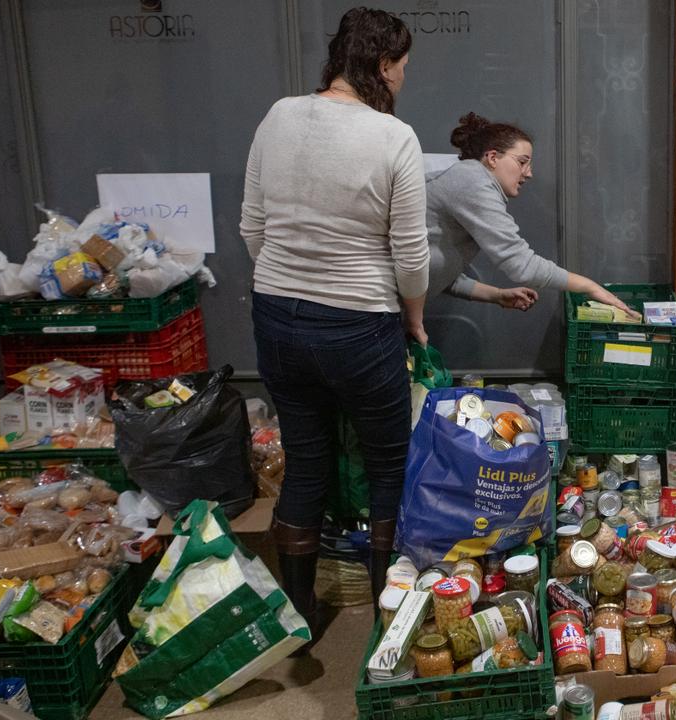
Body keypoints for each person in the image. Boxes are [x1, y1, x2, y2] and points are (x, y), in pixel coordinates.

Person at [239, 7, 424, 637]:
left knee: (307, 461)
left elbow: (251, 229)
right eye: (401, 69)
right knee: (386, 467)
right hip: (359, 327)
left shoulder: (279, 115)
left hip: (276, 319)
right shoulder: (393, 137)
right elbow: (412, 260)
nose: (402, 81)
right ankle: (387, 617)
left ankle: (299, 616)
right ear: (380, 65)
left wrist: (292, 287)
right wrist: (415, 319)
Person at [425, 113, 636, 316]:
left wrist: (497, 295)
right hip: (392, 307)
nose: (529, 173)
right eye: (522, 162)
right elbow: (521, 265)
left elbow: (439, 272)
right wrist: (588, 286)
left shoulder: (471, 179)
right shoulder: (472, 181)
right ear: (492, 158)